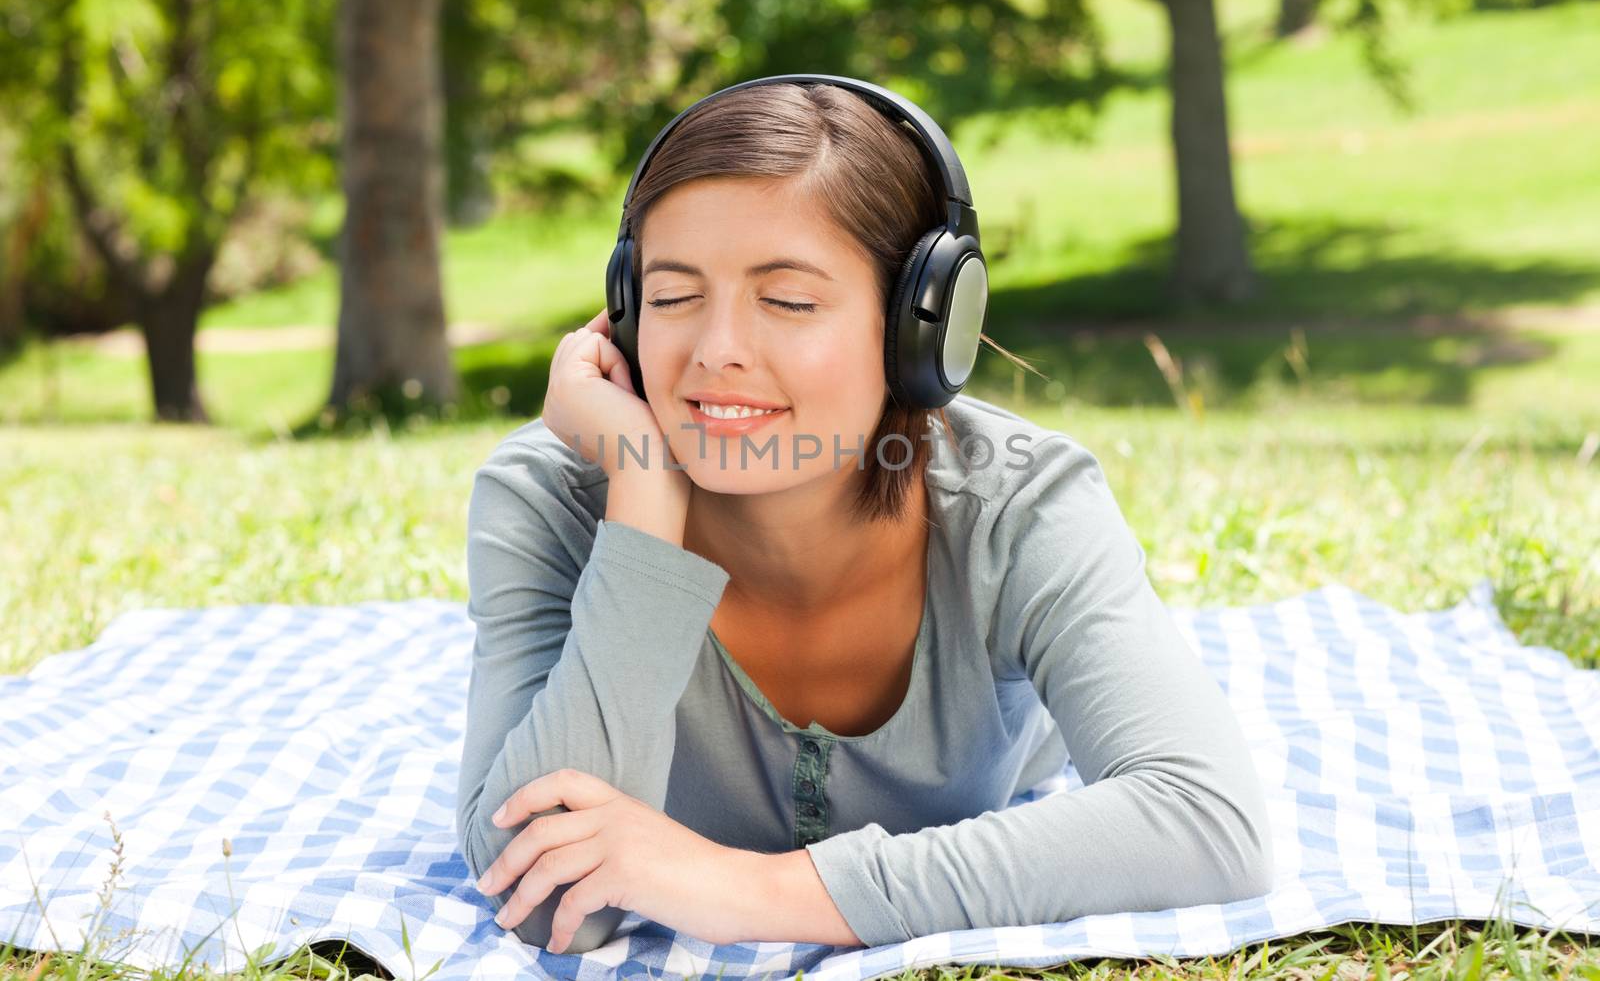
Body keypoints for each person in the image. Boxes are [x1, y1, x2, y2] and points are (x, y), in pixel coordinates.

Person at [454, 80, 1274, 956]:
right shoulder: (548, 495)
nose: (715, 348)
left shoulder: (1024, 502)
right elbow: (539, 896)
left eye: (790, 300)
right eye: (672, 295)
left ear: (920, 328)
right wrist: (645, 492)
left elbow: (1205, 818)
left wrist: (748, 888)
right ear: (622, 312)